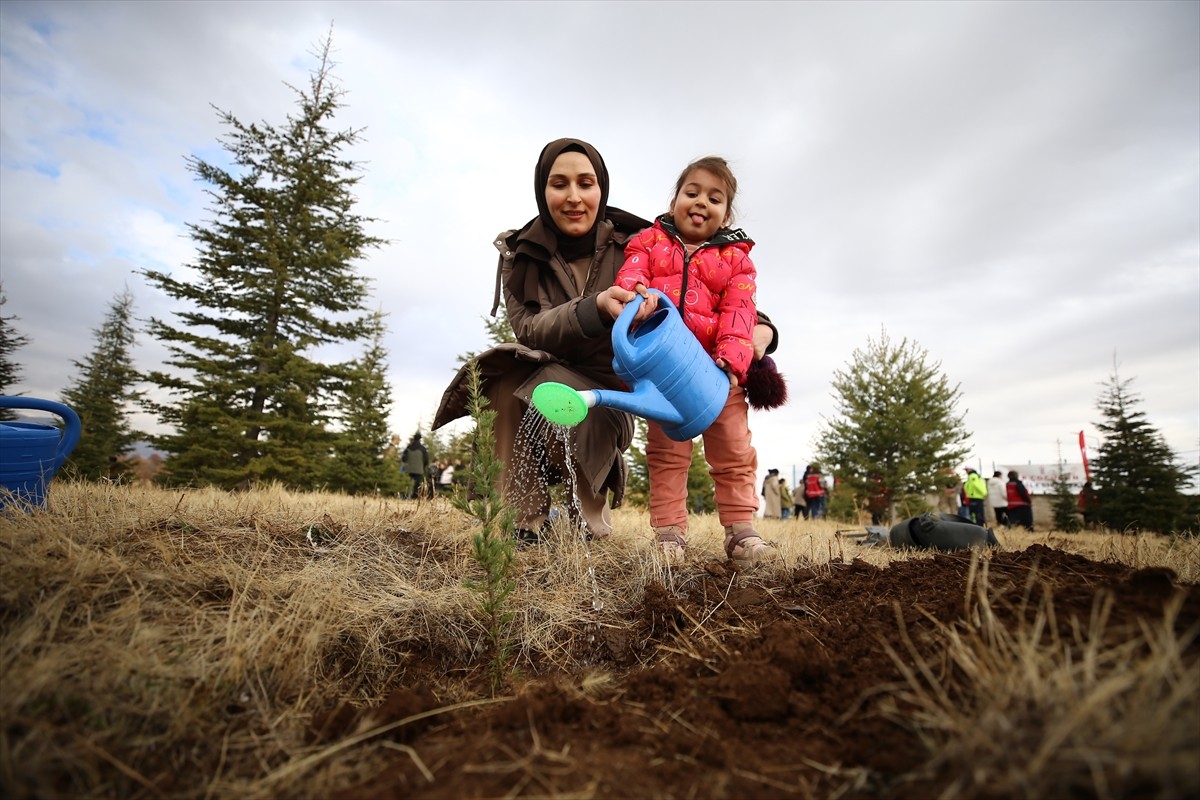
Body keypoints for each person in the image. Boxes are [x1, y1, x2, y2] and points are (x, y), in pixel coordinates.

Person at [432, 138, 778, 546]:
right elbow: (529, 329)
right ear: (543, 191)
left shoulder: (635, 239)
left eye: (586, 183)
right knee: (512, 384)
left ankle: (586, 520)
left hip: (617, 389)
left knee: (728, 450)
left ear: (602, 189)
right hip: (558, 374)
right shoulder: (522, 255)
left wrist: (767, 329)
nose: (574, 197)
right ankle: (518, 525)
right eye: (559, 184)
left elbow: (707, 283)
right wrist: (594, 308)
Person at [614, 156, 774, 566]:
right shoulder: (648, 242)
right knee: (667, 454)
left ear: (726, 215)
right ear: (674, 201)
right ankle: (669, 534)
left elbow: (740, 312)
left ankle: (740, 531)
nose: (701, 202)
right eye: (692, 192)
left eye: (714, 198)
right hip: (666, 374)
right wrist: (636, 295)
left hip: (718, 374)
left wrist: (732, 363)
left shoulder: (737, 259)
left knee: (734, 451)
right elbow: (630, 274)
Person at [401, 433, 429, 499]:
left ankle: (405, 496)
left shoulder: (408, 447)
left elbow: (403, 459)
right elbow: (426, 460)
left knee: (407, 484)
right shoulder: (423, 448)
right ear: (420, 439)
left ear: (414, 438)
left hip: (408, 469)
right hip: (419, 470)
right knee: (417, 485)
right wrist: (422, 466)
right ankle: (415, 497)